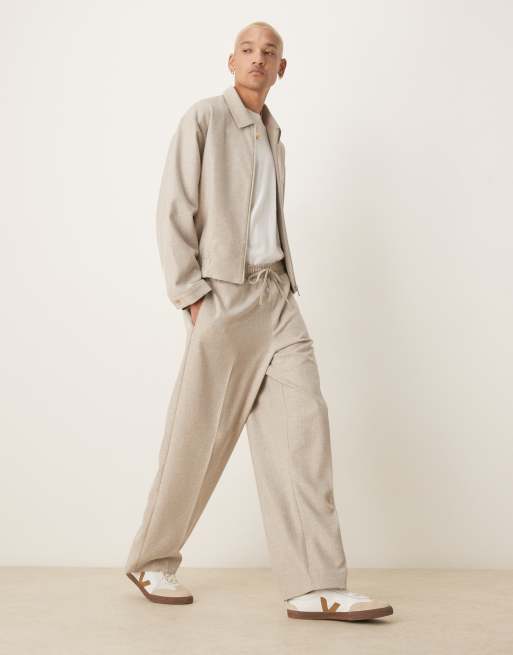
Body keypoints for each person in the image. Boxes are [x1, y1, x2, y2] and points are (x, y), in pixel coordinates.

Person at [124, 20, 393, 622]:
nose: (257, 58)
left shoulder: (274, 135)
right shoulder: (203, 119)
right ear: (231, 61)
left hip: (279, 297)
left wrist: (281, 288)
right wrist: (193, 296)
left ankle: (314, 584)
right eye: (247, 49)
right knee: (199, 436)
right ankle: (152, 559)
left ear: (281, 70)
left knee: (305, 431)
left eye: (269, 52)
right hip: (224, 298)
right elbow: (174, 207)